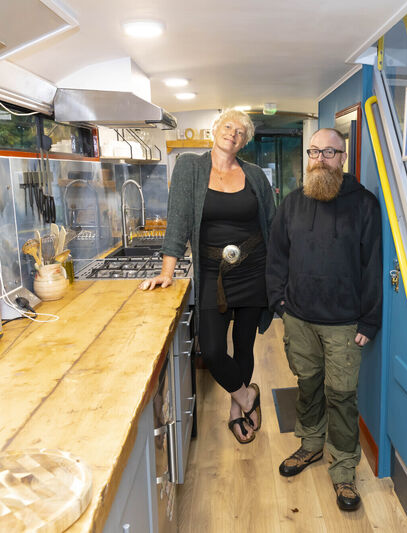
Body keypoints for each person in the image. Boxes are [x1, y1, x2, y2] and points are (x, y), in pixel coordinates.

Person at [140, 108, 276, 445]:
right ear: (215, 130)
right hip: (214, 273)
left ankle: (235, 411)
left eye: (241, 132)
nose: (233, 133)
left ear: (245, 141)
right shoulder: (190, 167)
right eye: (228, 126)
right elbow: (178, 222)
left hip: (253, 269)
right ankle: (248, 397)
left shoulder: (255, 175)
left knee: (244, 345)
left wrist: (279, 274)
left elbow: (272, 225)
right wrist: (167, 272)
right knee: (212, 350)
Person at [266, 128, 382, 511]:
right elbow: (276, 256)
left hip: (344, 323)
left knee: (342, 396)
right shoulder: (293, 203)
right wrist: (279, 302)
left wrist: (369, 321)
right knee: (308, 385)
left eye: (329, 152)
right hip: (299, 319)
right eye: (314, 151)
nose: (320, 159)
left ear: (343, 158)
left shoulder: (364, 205)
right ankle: (311, 444)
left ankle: (344, 469)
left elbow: (373, 266)